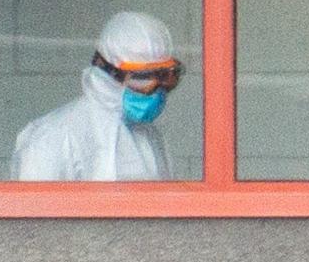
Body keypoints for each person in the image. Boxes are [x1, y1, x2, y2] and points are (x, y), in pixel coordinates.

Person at [11, 11, 182, 181]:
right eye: (142, 78)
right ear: (107, 74)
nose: (157, 91)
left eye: (165, 77)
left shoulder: (149, 137)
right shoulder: (54, 137)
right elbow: (35, 206)